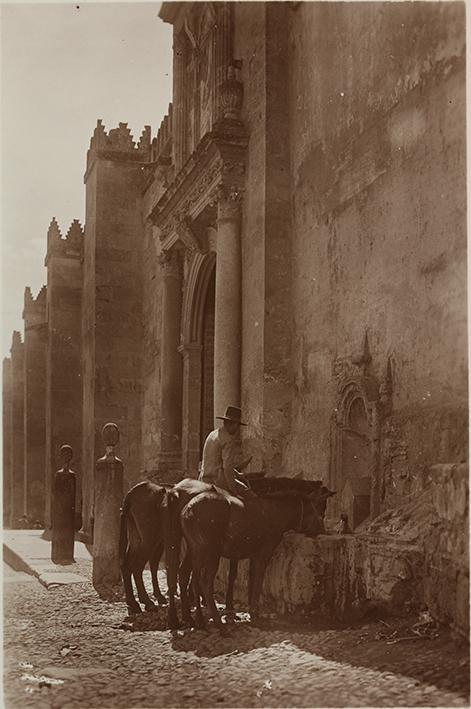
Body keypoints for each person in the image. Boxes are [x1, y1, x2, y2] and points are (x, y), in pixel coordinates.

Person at [198, 405, 254, 497]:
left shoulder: (213, 434)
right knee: (250, 494)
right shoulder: (228, 439)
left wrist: (236, 473)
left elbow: (215, 461)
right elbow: (227, 467)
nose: (237, 429)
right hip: (217, 480)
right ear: (234, 424)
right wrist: (233, 489)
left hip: (204, 478)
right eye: (237, 426)